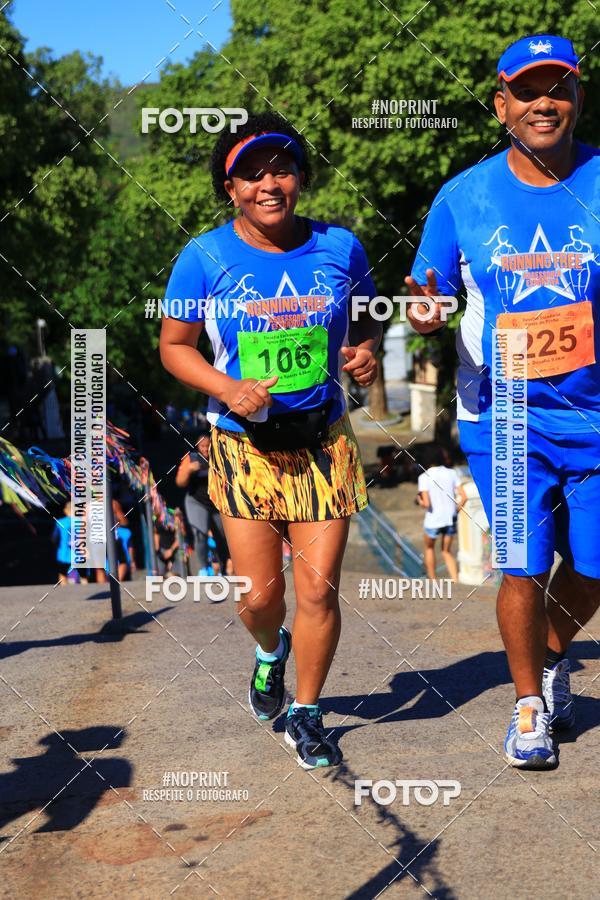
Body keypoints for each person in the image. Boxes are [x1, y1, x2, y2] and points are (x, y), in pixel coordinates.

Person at [160, 111, 381, 768]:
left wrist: (366, 354)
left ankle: (308, 713)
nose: (269, 183)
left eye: (281, 168)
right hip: (242, 446)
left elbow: (366, 323)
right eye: (251, 173)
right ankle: (268, 652)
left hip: (323, 443)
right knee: (260, 597)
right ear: (229, 187)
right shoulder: (203, 258)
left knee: (318, 590)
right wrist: (227, 389)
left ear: (301, 177)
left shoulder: (342, 248)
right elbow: (175, 348)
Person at [406, 34, 600, 769]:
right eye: (527, 91)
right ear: (501, 107)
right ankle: (527, 706)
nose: (543, 102)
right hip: (506, 414)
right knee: (521, 564)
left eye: (558, 88)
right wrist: (424, 314)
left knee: (593, 564)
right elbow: (430, 297)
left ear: (578, 98)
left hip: (595, 411)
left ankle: (549, 657)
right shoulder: (464, 196)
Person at [175, 433, 229, 576]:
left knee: (222, 537)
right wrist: (189, 470)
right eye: (202, 446)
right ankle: (205, 568)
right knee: (200, 533)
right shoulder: (191, 458)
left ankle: (223, 569)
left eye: (208, 446)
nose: (205, 449)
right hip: (196, 501)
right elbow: (180, 482)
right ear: (198, 447)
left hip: (216, 503)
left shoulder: (218, 456)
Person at [417, 446, 467, 581]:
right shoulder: (452, 473)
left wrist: (419, 501)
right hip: (450, 518)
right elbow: (464, 496)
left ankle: (433, 581)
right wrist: (455, 511)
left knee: (429, 548)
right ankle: (456, 581)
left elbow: (426, 504)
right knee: (446, 551)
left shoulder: (424, 477)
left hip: (433, 520)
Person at [52, 501, 74, 586]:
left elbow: (54, 538)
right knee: (83, 576)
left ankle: (64, 594)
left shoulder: (60, 522)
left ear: (66, 510)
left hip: (63, 554)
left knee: (62, 575)